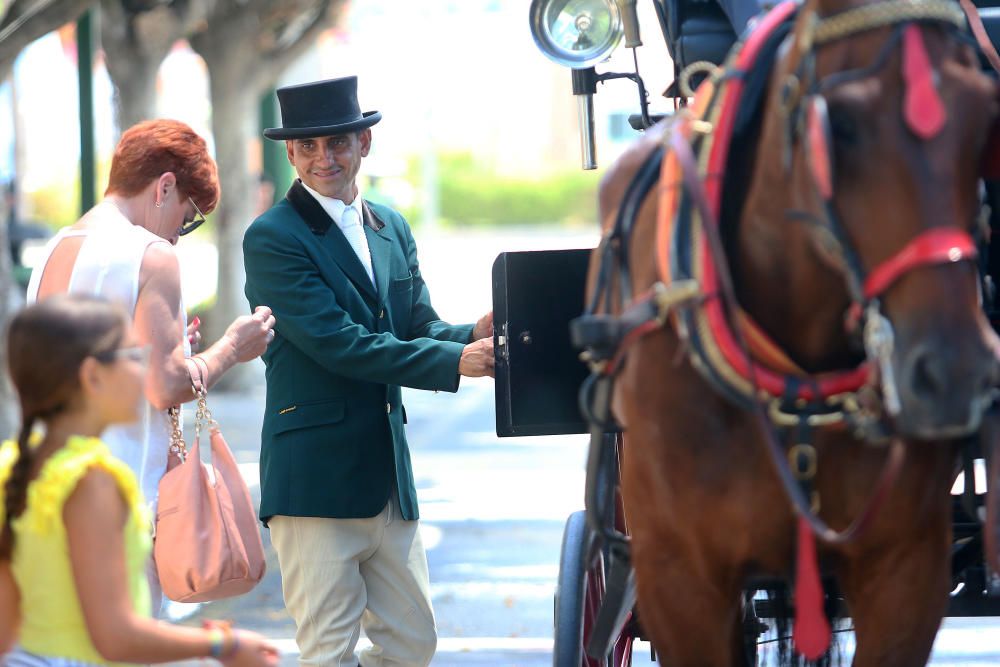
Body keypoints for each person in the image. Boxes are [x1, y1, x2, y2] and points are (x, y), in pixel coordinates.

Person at [242, 76, 494, 667]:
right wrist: (455, 361)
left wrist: (474, 334)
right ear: (290, 155)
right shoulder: (272, 237)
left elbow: (415, 327)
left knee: (413, 644)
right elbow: (339, 343)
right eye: (308, 148)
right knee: (328, 652)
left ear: (364, 143)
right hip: (315, 482)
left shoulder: (391, 226)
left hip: (388, 480)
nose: (323, 159)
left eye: (336, 144)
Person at [25, 119, 276, 611]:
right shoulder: (151, 256)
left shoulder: (53, 251)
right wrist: (231, 348)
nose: (179, 237)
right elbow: (166, 386)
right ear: (165, 187)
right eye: (187, 217)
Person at [0, 295, 279, 665]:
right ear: (92, 376)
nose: (145, 369)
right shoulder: (92, 481)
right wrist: (222, 645)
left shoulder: (14, 462)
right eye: (133, 357)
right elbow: (116, 637)